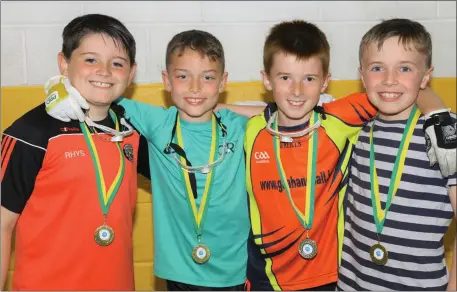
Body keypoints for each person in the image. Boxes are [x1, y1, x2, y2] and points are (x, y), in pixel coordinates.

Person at [242, 19, 451, 291]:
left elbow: (405, 87)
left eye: (309, 79)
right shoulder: (252, 128)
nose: (296, 90)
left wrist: (439, 115)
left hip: (329, 278)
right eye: (285, 78)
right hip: (268, 277)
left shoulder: (341, 120)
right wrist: (210, 105)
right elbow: (227, 114)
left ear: (325, 83)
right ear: (266, 79)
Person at [0, 14, 150, 290]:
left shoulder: (133, 131)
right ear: (64, 63)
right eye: (91, 59)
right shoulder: (29, 133)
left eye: (117, 64)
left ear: (131, 74)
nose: (104, 71)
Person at [336, 18, 456, 291]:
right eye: (377, 68)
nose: (390, 80)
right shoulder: (357, 131)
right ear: (362, 74)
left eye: (405, 68)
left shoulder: (445, 132)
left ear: (426, 76)